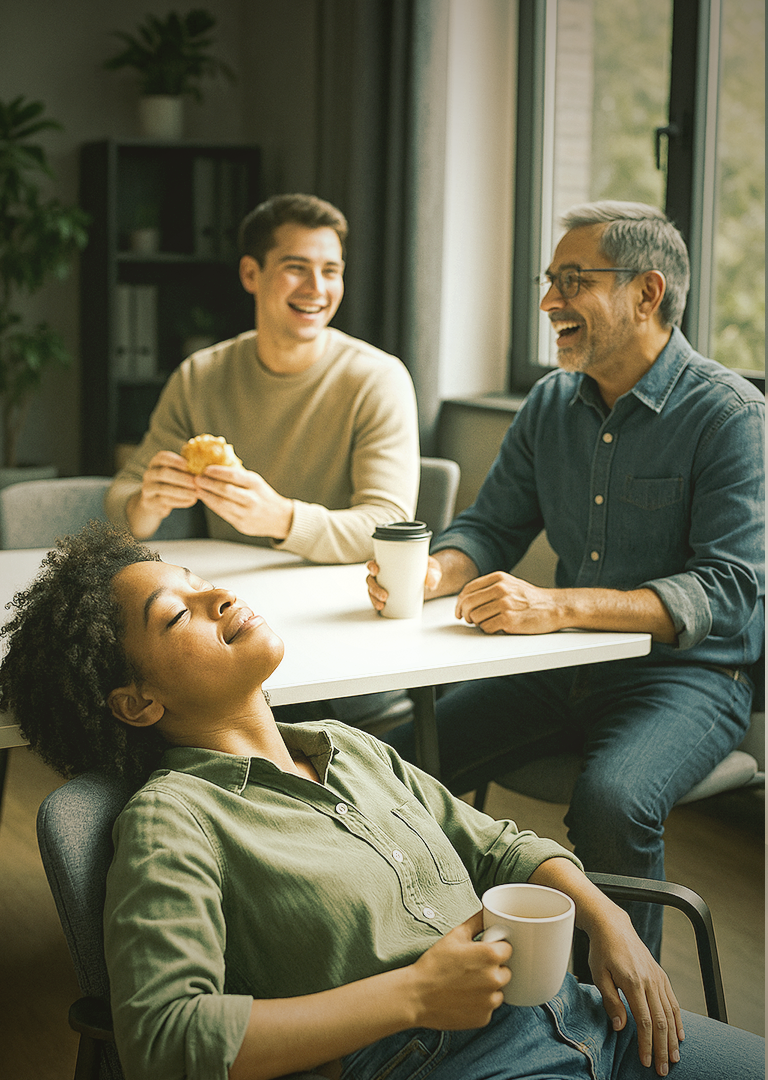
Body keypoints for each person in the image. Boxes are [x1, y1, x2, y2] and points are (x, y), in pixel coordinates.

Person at [1, 522, 763, 1080]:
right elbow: (165, 1040)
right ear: (137, 705)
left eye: (200, 582)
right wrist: (415, 995)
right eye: (178, 614)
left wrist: (607, 918)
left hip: (589, 1019)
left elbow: (496, 844)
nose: (219, 596)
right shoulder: (174, 820)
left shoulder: (347, 744)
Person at [367, 201, 765, 962]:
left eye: (573, 282)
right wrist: (432, 574)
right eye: (550, 281)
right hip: (561, 669)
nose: (550, 303)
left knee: (612, 802)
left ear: (647, 293)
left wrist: (553, 607)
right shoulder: (550, 404)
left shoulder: (730, 415)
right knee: (395, 759)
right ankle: (413, 962)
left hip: (689, 679)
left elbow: (728, 592)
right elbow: (490, 527)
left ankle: (620, 1016)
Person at [105, 193, 420, 564]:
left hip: (334, 594)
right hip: (226, 588)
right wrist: (147, 503)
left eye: (331, 270)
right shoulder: (200, 376)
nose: (317, 288)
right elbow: (121, 496)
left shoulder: (378, 379)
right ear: (251, 274)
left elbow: (388, 526)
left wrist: (282, 519)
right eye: (296, 267)